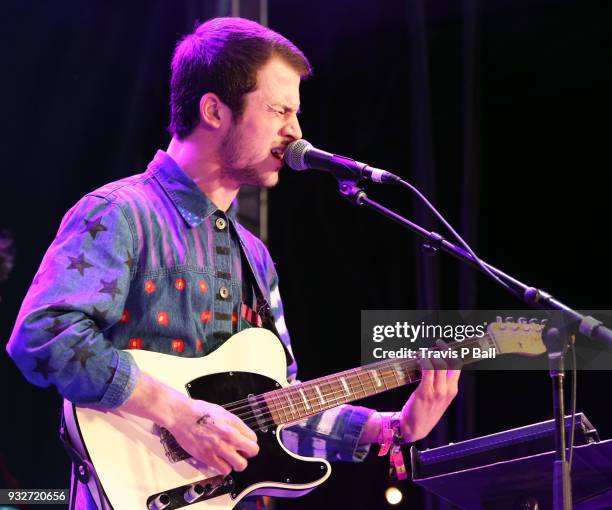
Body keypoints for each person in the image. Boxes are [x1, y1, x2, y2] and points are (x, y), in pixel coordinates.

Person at [7, 17, 460, 509]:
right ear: (214, 110)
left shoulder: (255, 256)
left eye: (296, 114)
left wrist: (390, 427)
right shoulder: (121, 213)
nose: (296, 133)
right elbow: (45, 334)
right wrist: (182, 416)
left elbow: (278, 406)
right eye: (279, 111)